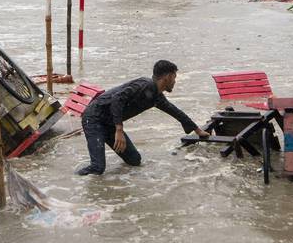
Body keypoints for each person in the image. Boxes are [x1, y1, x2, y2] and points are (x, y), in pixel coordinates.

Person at [76, 60, 209, 176]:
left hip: (110, 123)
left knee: (135, 161)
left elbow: (176, 112)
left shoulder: (156, 97)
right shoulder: (142, 85)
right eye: (174, 77)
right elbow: (117, 99)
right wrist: (119, 130)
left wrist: (197, 131)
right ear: (167, 77)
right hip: (94, 118)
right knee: (98, 168)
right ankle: (72, 181)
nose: (175, 81)